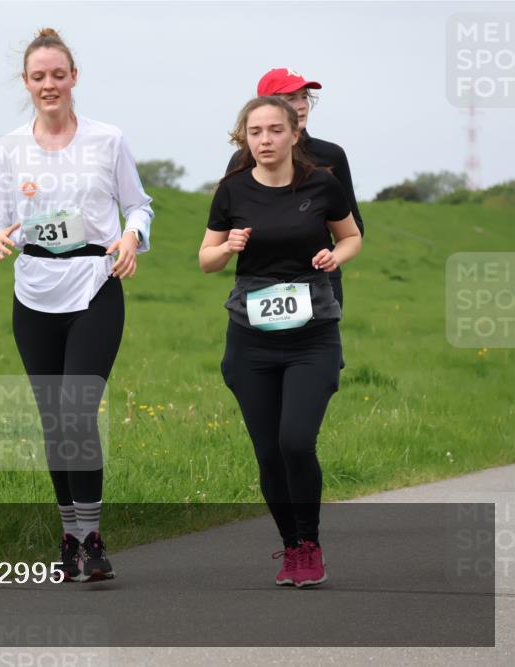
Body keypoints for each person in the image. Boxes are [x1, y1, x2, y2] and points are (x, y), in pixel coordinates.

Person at [0, 28, 153, 582]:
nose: (49, 84)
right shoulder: (9, 148)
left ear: (75, 78)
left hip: (95, 283)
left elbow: (139, 206)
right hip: (34, 292)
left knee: (77, 411)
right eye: (38, 76)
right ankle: (69, 536)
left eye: (58, 74)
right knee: (54, 422)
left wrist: (131, 237)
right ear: (25, 83)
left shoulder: (107, 140)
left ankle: (92, 537)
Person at [200, 96, 361, 587]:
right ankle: (292, 547)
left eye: (274, 130)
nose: (265, 140)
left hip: (312, 337)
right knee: (269, 452)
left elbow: (351, 236)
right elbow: (206, 259)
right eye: (255, 132)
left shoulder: (321, 184)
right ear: (244, 138)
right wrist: (227, 247)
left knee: (295, 441)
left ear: (294, 133)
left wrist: (336, 257)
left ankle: (310, 541)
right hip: (251, 340)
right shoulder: (232, 190)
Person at [225, 68, 364, 314]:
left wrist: (333, 257)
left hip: (320, 282)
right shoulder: (242, 161)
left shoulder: (331, 156)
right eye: (290, 98)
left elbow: (355, 229)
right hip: (260, 284)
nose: (301, 105)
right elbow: (225, 229)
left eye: (304, 97)